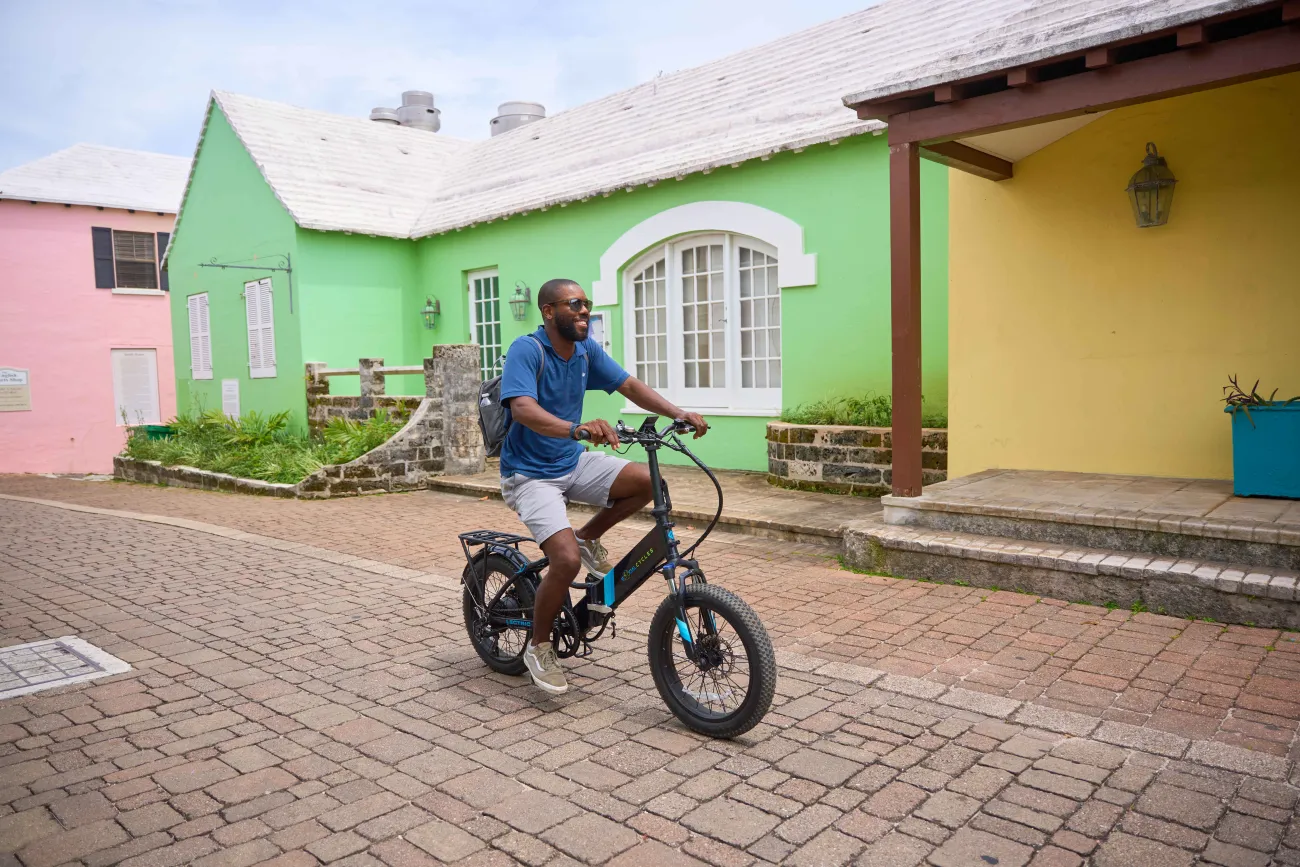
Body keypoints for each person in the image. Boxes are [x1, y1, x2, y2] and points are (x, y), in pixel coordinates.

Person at [498, 278, 708, 695]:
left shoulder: (585, 351)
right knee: (565, 561)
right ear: (548, 311)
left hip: (572, 462)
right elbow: (522, 408)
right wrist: (576, 429)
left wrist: (679, 412)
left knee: (650, 483)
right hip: (529, 474)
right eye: (573, 304)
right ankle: (539, 647)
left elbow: (629, 385)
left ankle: (588, 534)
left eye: (586, 304)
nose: (583, 311)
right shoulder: (528, 350)